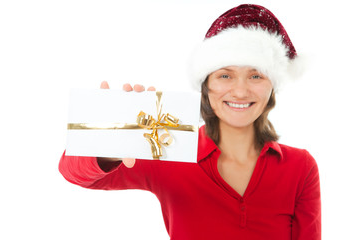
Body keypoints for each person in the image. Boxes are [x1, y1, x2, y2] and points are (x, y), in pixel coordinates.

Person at [59, 4, 321, 240]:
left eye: (256, 76)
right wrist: (114, 138)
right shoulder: (170, 147)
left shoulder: (300, 167)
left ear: (272, 87)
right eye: (225, 76)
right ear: (205, 85)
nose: (240, 92)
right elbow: (72, 172)